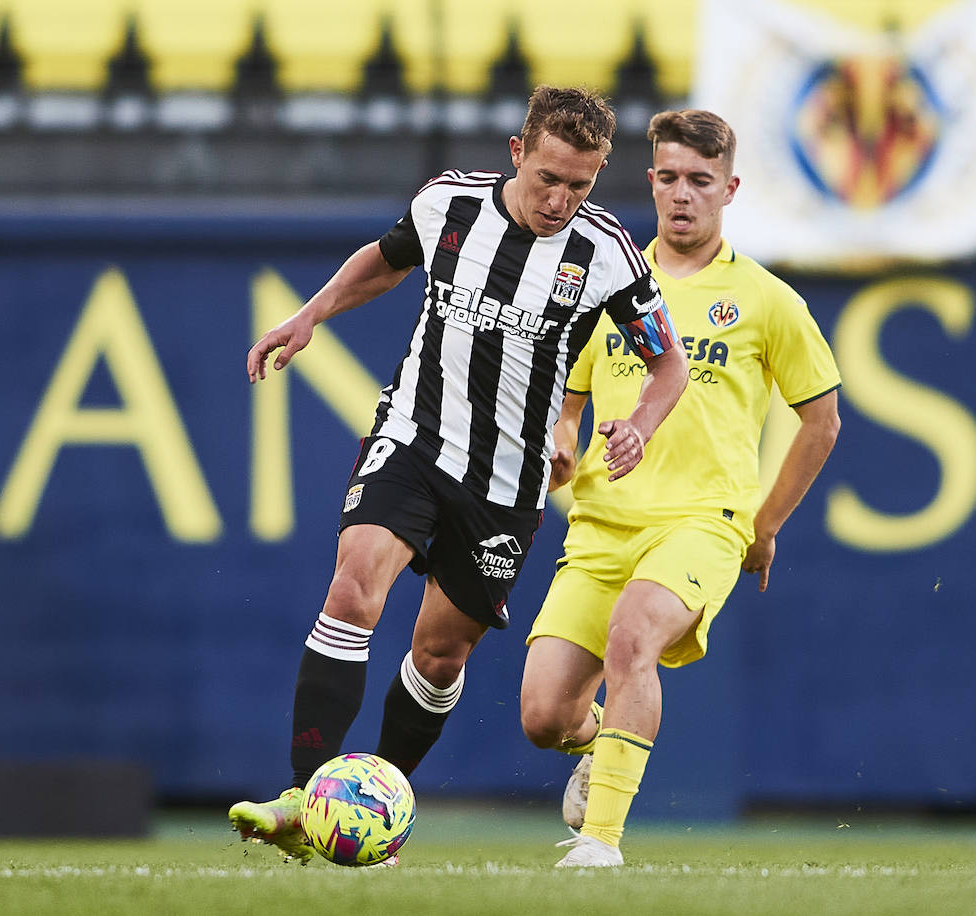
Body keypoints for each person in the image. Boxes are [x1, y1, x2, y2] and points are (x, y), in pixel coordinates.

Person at [229, 86, 689, 863]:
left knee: (440, 656)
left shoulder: (607, 252)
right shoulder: (449, 204)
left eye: (579, 185)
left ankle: (378, 806)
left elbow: (666, 361)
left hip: (507, 483)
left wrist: (639, 425)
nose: (559, 199)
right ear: (518, 152)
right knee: (354, 585)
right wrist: (311, 314)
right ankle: (306, 799)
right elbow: (385, 259)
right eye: (547, 177)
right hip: (414, 436)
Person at [519, 108, 841, 868]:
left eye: (701, 180)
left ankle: (599, 842)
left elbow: (821, 422)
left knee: (636, 636)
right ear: (652, 182)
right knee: (542, 715)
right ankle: (600, 744)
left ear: (729, 188)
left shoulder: (767, 300)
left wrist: (762, 526)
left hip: (703, 521)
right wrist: (561, 442)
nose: (682, 195)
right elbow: (567, 401)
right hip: (602, 526)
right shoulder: (608, 287)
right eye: (668, 178)